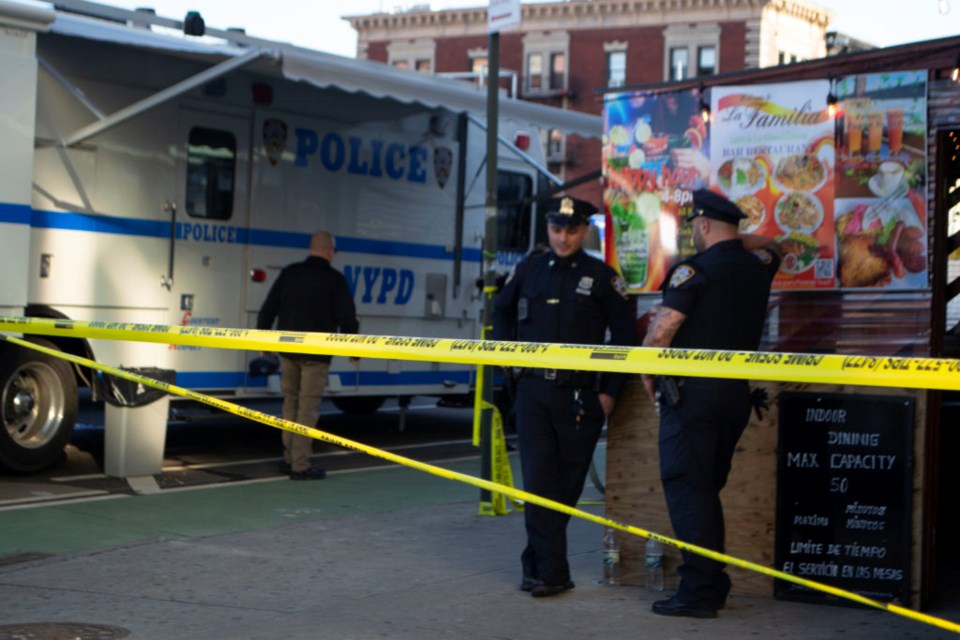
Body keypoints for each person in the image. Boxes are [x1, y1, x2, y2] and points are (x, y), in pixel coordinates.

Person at [641, 189, 780, 618]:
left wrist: (648, 373)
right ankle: (711, 584)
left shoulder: (692, 271)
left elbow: (662, 332)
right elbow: (775, 247)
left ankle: (699, 591)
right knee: (705, 490)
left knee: (688, 489)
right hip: (734, 395)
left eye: (695, 228)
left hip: (693, 398)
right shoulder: (759, 268)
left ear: (702, 225)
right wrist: (740, 239)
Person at [492, 196, 636, 597]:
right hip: (534, 392)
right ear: (548, 229)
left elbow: (625, 338)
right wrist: (506, 357)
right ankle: (552, 573)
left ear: (585, 229)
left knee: (566, 489)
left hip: (580, 398)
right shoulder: (529, 270)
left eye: (572, 230)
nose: (563, 237)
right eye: (557, 229)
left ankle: (537, 564)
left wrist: (609, 391)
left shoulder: (603, 277)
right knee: (538, 482)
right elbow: (500, 311)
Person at [257, 230, 359, 480]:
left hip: (288, 351)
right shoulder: (335, 280)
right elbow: (347, 317)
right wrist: (354, 350)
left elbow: (268, 309)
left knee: (290, 403)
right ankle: (300, 466)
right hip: (316, 355)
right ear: (329, 251)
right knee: (307, 409)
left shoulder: (290, 273)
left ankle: (289, 458)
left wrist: (263, 341)